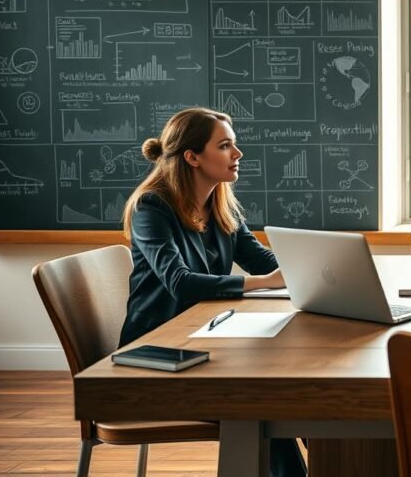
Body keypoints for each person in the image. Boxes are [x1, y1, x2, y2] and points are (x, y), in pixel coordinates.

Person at [119, 107, 306, 477]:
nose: (237, 155)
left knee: (294, 396)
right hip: (157, 355)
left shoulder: (220, 205)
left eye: (233, 145)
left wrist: (309, 265)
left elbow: (261, 260)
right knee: (264, 402)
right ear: (192, 157)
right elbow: (181, 282)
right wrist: (268, 282)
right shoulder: (151, 207)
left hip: (205, 341)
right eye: (225, 146)